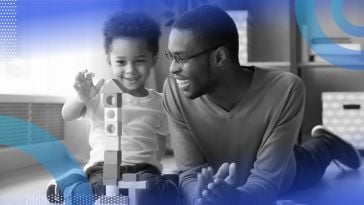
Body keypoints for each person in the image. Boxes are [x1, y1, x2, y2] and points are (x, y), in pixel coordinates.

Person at [162, 5, 362, 205]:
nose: (172, 69)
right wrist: (202, 198)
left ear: (219, 57)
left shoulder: (285, 89)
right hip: (219, 186)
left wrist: (235, 198)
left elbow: (266, 182)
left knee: (312, 158)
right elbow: (189, 173)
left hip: (284, 175)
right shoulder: (174, 90)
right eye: (171, 57)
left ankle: (328, 143)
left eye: (181, 58)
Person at [47, 11, 178, 205]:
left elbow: (173, 131)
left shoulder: (158, 102)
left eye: (139, 61)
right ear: (109, 60)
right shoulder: (97, 94)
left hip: (143, 170)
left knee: (154, 193)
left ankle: (166, 182)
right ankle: (71, 184)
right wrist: (81, 98)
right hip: (104, 169)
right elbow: (67, 114)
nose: (130, 69)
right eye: (121, 62)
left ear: (153, 60)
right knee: (97, 191)